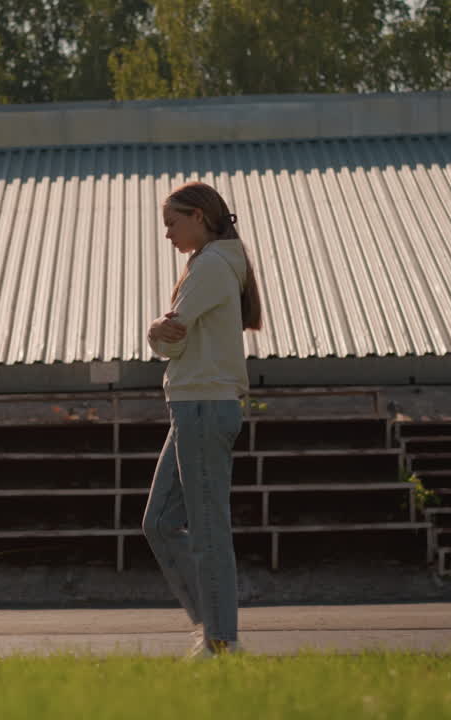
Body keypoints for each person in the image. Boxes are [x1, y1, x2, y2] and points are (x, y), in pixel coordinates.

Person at [144, 181, 262, 658]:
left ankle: (221, 640)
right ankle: (213, 630)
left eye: (172, 223)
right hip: (193, 406)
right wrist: (163, 332)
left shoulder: (211, 265)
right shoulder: (210, 263)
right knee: (158, 523)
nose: (168, 234)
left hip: (203, 406)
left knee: (208, 528)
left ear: (198, 216)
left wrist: (154, 330)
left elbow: (170, 340)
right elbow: (177, 337)